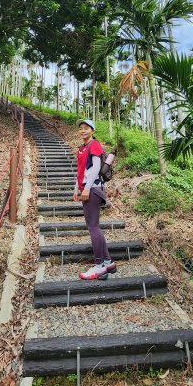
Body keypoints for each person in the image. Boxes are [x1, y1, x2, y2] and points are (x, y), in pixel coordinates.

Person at [74, 119, 117, 280]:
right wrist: (76, 187)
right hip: (87, 188)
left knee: (93, 227)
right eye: (80, 128)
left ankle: (99, 266)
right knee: (95, 227)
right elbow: (81, 169)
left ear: (92, 130)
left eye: (86, 128)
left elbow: (96, 168)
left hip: (93, 189)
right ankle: (108, 261)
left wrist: (86, 188)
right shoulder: (82, 148)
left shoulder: (94, 145)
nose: (82, 130)